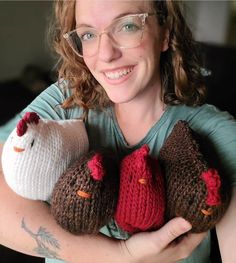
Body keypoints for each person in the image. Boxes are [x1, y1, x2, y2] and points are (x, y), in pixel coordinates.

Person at [0, 0, 235, 263]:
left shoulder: (217, 133)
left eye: (127, 26)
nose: (105, 54)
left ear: (165, 33)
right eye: (88, 34)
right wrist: (120, 255)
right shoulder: (66, 101)